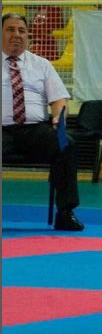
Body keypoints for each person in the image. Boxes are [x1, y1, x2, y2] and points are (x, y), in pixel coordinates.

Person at [2, 13, 83, 231]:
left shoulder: (42, 65)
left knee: (66, 144)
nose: (17, 35)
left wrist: (59, 116)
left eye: (21, 30)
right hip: (2, 131)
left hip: (35, 130)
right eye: (10, 29)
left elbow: (59, 99)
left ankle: (65, 213)